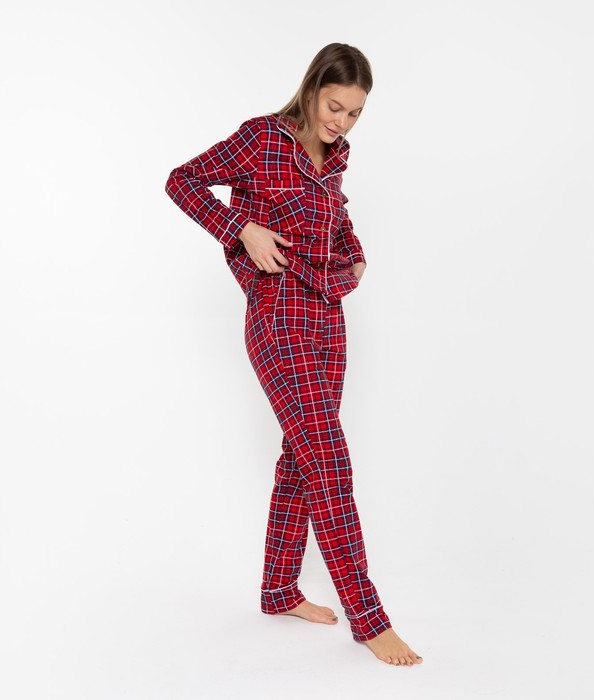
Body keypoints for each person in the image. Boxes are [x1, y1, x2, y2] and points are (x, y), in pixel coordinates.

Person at [165, 43, 422, 667]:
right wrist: (241, 230)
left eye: (355, 113)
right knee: (327, 457)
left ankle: (279, 589)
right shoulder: (261, 139)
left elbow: (335, 218)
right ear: (310, 90)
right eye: (335, 106)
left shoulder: (336, 157)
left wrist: (354, 253)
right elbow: (182, 180)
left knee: (302, 456)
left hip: (329, 316)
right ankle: (368, 617)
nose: (342, 122)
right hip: (278, 313)